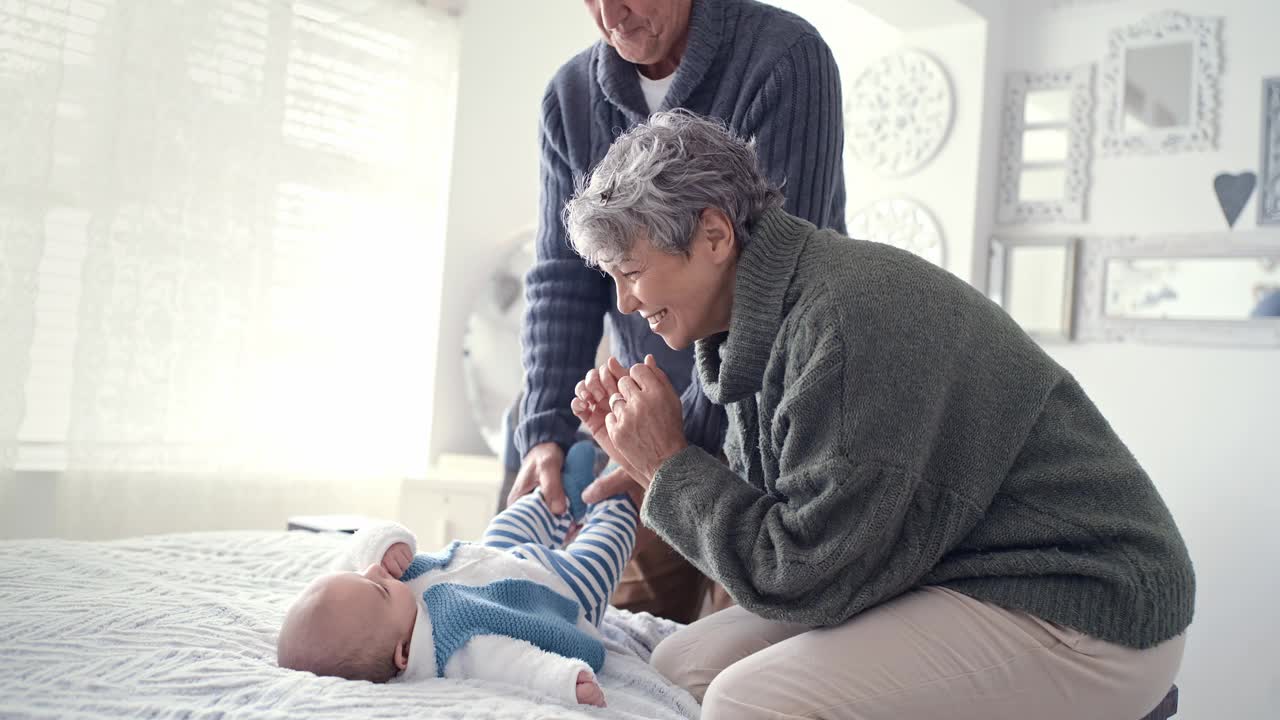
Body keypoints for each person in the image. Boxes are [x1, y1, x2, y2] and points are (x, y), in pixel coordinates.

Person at [563, 110, 1195, 720]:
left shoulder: (842, 323)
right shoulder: (761, 327)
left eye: (631, 272)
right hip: (952, 566)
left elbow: (799, 574)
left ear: (715, 236)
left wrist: (667, 463)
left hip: (1083, 600)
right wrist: (647, 463)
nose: (623, 301)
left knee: (747, 703)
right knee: (684, 664)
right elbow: (778, 531)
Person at [507, 0, 847, 623]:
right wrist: (545, 430)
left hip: (769, 423)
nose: (610, 12)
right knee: (619, 643)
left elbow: (773, 277)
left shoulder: (785, 58)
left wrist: (664, 446)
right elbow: (561, 278)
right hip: (652, 433)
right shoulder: (571, 96)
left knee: (741, 657)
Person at [277, 442, 635, 708]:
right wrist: (565, 681)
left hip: (497, 554)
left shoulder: (380, 598)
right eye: (380, 588)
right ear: (402, 653)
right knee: (606, 543)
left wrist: (384, 544)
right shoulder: (451, 645)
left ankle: (561, 495)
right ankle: (611, 491)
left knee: (511, 520)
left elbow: (356, 551)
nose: (374, 571)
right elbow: (517, 663)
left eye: (364, 575)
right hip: (558, 590)